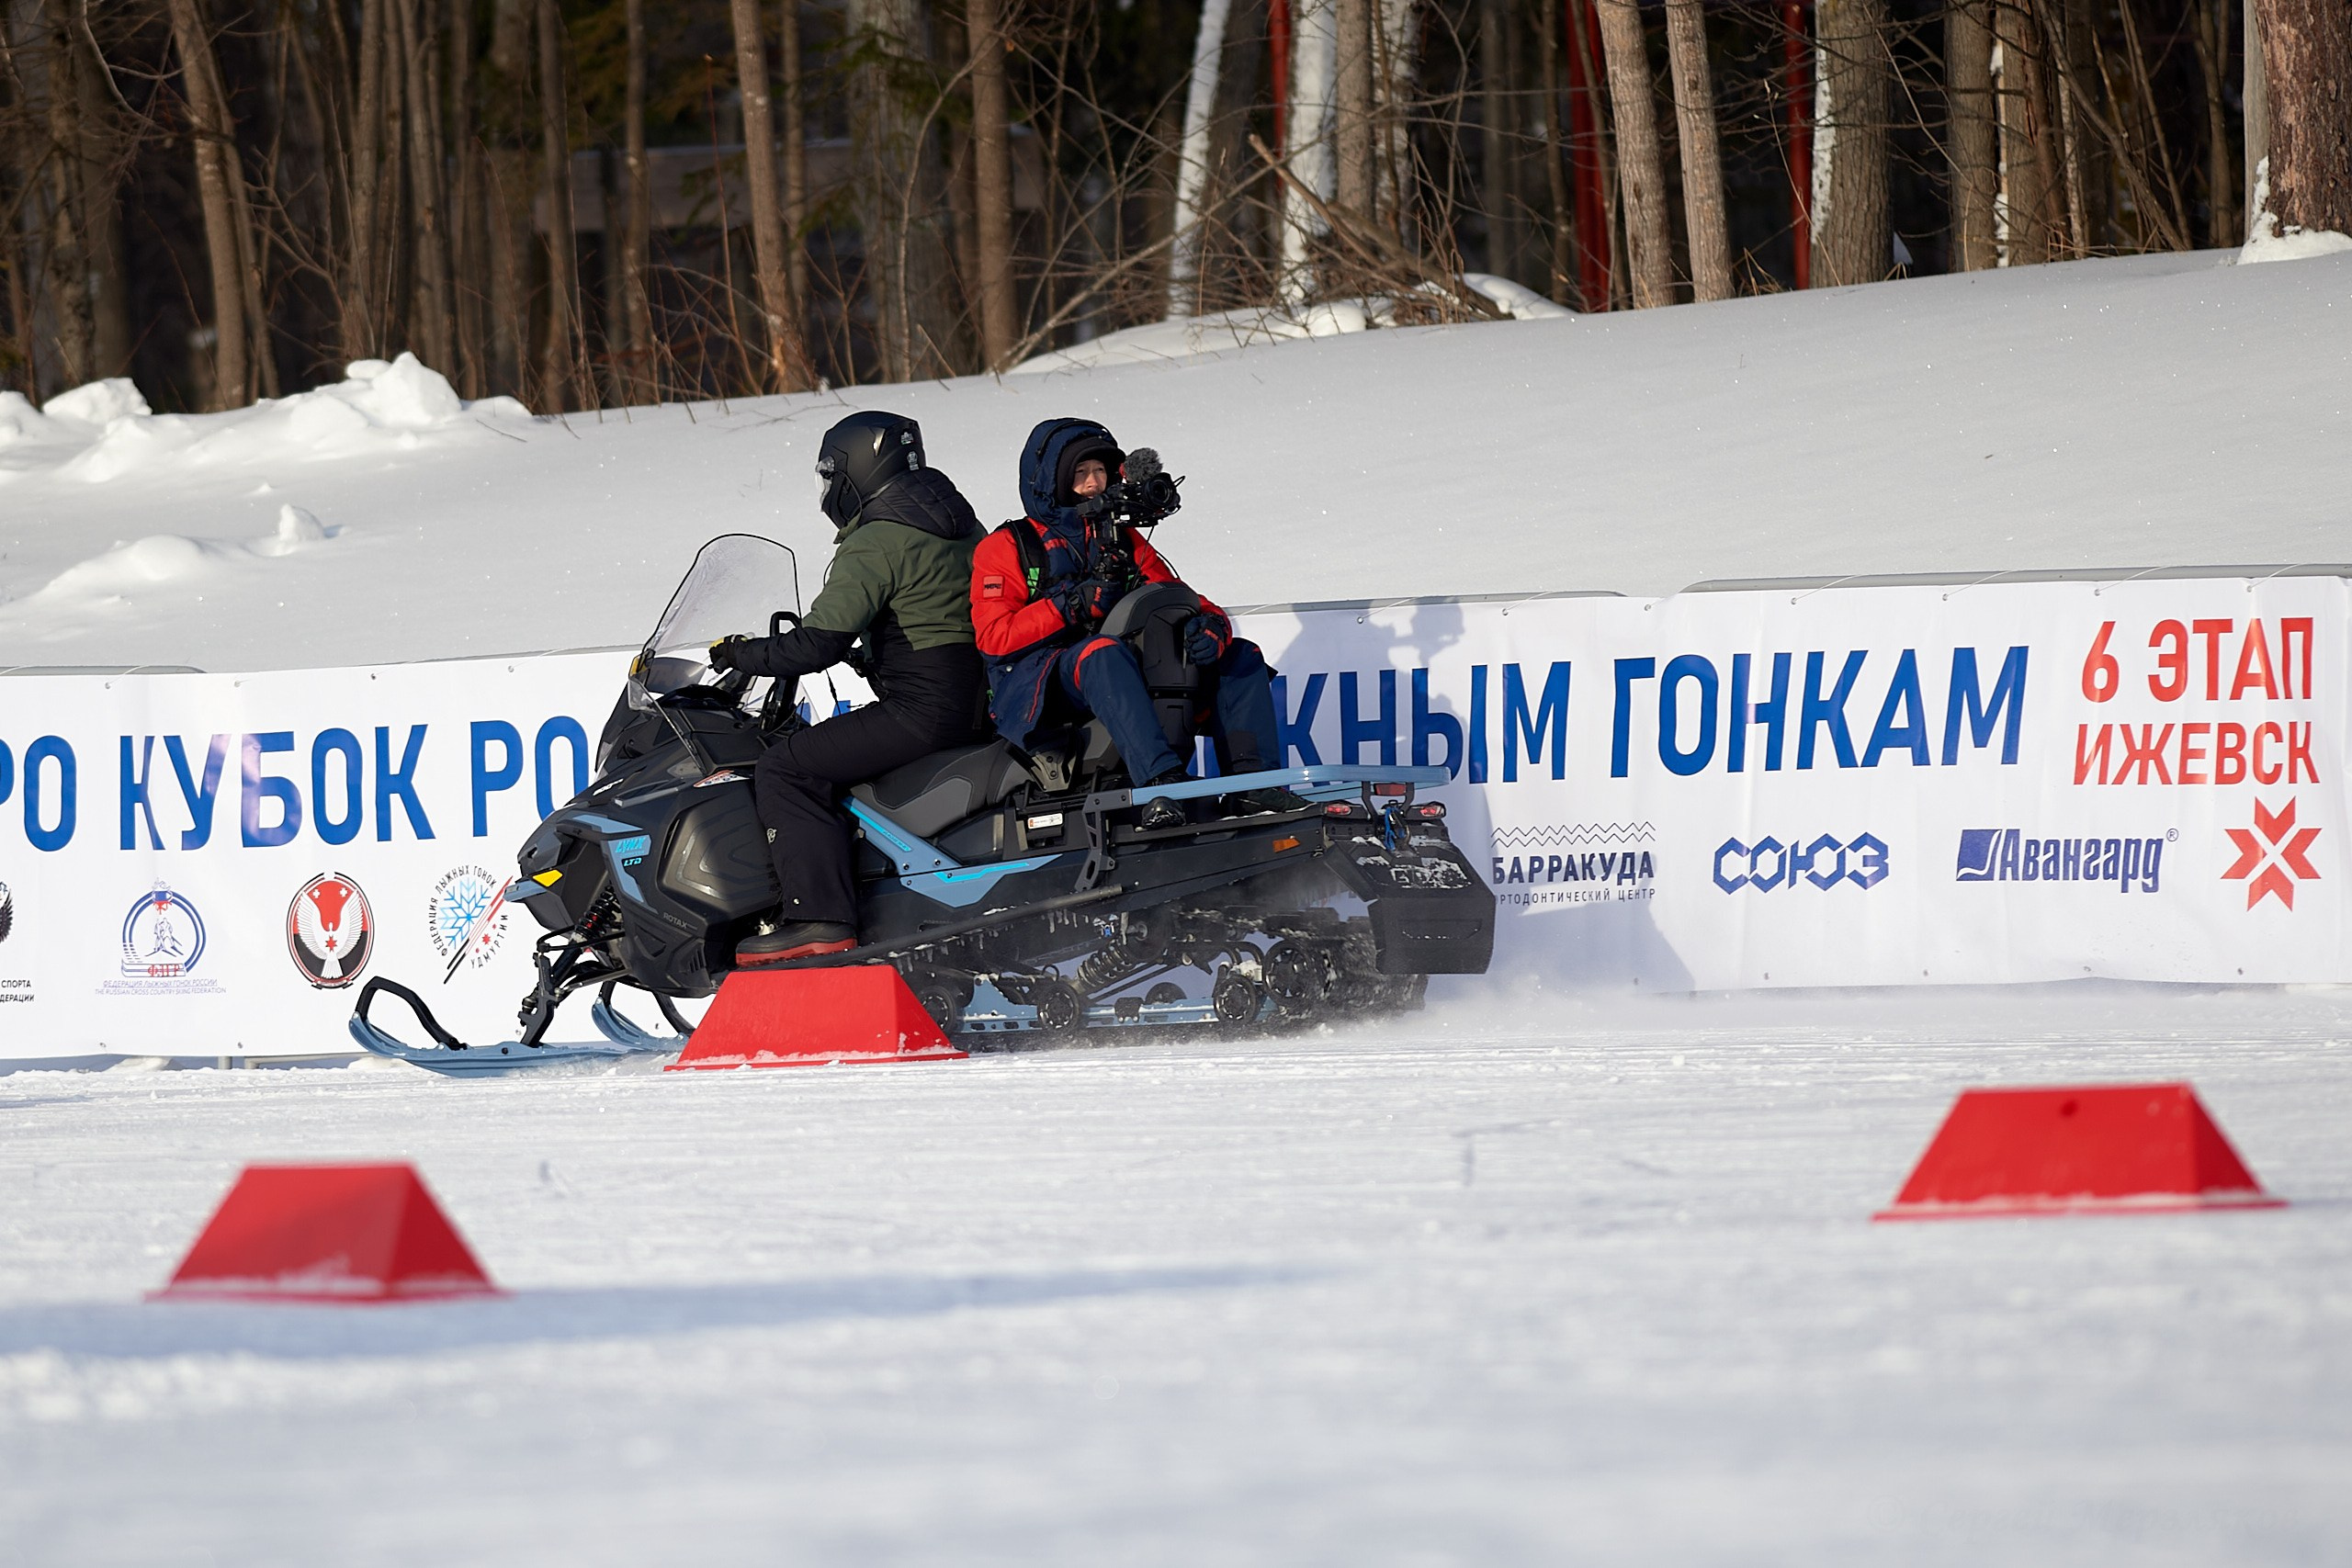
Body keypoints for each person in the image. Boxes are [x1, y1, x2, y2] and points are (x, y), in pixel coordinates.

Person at [709, 411, 984, 963]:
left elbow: (815, 645)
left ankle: (818, 919)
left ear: (855, 471)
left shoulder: (878, 539)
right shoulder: (958, 522)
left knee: (788, 766)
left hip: (922, 709)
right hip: (980, 701)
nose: (829, 489)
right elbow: (936, 616)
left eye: (830, 475)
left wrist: (740, 653)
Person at [968, 416, 1296, 829]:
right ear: (1052, 480)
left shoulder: (1123, 540)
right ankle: (1159, 783)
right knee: (1103, 653)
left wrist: (1212, 628)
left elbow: (1185, 597)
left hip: (1115, 664)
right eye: (1080, 473)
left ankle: (1254, 786)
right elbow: (995, 640)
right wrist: (1072, 605)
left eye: (1100, 471)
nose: (1093, 483)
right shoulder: (1007, 546)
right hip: (1038, 682)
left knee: (1240, 655)